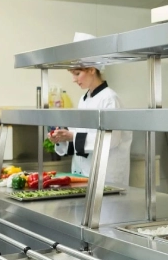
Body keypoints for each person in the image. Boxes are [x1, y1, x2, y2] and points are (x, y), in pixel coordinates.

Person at [48, 33, 132, 186]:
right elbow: (80, 133)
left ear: (92, 69)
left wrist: (72, 136)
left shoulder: (110, 99)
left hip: (106, 176)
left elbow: (112, 139)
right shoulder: (84, 99)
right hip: (83, 173)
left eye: (77, 73)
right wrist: (62, 138)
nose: (74, 79)